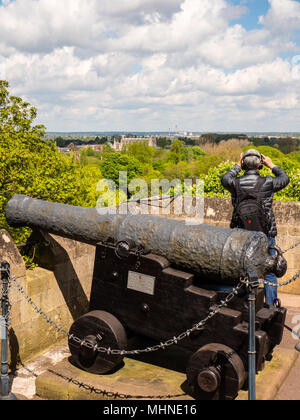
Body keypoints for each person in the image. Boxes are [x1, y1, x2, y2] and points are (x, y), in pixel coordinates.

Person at [221, 149, 290, 307]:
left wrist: (237, 166)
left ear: (244, 164)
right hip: (265, 232)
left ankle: (243, 303)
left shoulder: (235, 183)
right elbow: (284, 178)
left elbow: (225, 178)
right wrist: (271, 165)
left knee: (240, 268)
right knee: (270, 270)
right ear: (259, 165)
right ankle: (271, 305)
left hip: (242, 232)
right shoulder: (268, 182)